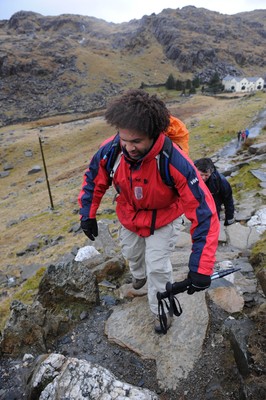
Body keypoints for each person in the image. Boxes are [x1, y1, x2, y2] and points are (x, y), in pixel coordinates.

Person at [78, 89, 220, 334]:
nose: (128, 148)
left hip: (164, 218)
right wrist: (87, 214)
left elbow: (204, 212)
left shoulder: (174, 161)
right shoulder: (111, 150)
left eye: (136, 142)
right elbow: (94, 179)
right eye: (124, 139)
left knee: (158, 266)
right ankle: (139, 276)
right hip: (129, 216)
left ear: (154, 135)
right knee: (132, 254)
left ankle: (161, 309)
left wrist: (201, 267)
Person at [194, 158, 235, 225]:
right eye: (201, 175)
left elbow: (228, 200)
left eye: (206, 175)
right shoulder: (189, 175)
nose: (203, 178)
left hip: (214, 205)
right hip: (196, 205)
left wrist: (229, 217)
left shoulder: (221, 182)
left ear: (211, 172)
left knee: (213, 225)